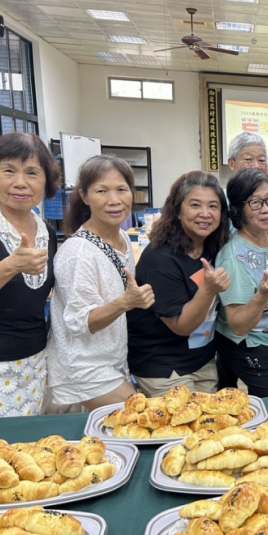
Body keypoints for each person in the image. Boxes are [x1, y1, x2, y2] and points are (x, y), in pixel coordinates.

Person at [47, 155, 155, 411]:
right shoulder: (78, 252)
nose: (114, 200)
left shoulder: (122, 238)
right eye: (102, 191)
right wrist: (125, 303)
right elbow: (79, 323)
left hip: (112, 360)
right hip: (83, 368)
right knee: (143, 416)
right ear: (84, 196)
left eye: (122, 190)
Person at [0, 133, 60, 417]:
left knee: (28, 441)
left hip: (34, 364)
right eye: (8, 170)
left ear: (46, 181)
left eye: (32, 173)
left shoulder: (47, 231)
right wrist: (11, 265)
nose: (21, 182)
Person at [127, 172, 231, 396]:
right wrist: (209, 289)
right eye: (195, 205)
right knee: (185, 417)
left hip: (201, 361)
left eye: (213, 206)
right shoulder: (160, 258)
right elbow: (181, 326)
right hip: (164, 366)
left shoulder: (214, 247)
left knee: (212, 417)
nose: (205, 213)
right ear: (177, 210)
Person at [215, 168, 268, 397]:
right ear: (237, 210)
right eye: (255, 203)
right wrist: (263, 294)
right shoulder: (234, 258)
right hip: (248, 343)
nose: (267, 209)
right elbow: (239, 325)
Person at [227, 132, 268, 244]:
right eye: (248, 159)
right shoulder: (221, 201)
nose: (256, 166)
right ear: (232, 164)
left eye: (261, 160)